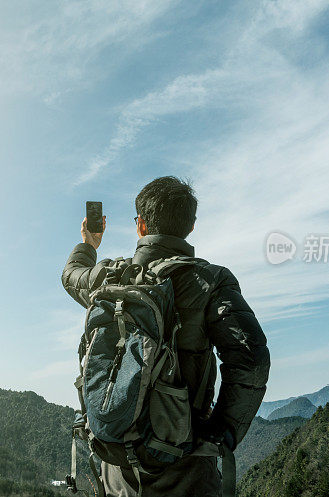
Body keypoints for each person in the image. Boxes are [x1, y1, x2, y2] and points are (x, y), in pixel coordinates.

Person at [61, 176, 270, 497]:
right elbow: (251, 359)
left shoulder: (109, 277)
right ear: (191, 225)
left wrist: (89, 243)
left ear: (140, 225)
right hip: (187, 469)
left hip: (118, 470)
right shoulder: (210, 280)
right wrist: (220, 434)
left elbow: (71, 275)